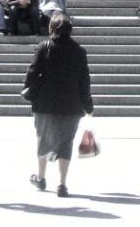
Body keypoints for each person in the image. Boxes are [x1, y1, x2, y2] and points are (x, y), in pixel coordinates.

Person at [23, 13, 94, 198]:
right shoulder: (79, 52)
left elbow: (32, 73)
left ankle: (41, 177)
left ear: (51, 28)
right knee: (66, 142)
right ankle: (62, 184)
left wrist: (29, 92)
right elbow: (84, 81)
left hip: (44, 103)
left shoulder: (43, 47)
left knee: (43, 139)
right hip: (71, 104)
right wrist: (88, 105)